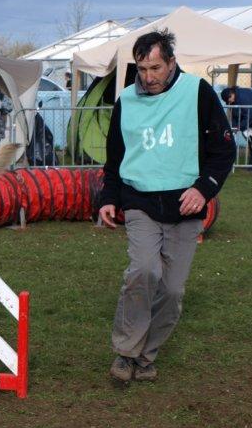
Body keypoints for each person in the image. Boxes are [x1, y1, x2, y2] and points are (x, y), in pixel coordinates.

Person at [98, 29, 236, 383]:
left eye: (155, 68)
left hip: (186, 205)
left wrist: (204, 189)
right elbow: (115, 158)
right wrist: (108, 198)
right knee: (143, 272)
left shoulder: (198, 93)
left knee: (172, 290)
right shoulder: (126, 101)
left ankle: (147, 354)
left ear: (172, 62)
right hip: (140, 200)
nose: (149, 77)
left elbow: (224, 151)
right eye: (142, 69)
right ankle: (126, 353)